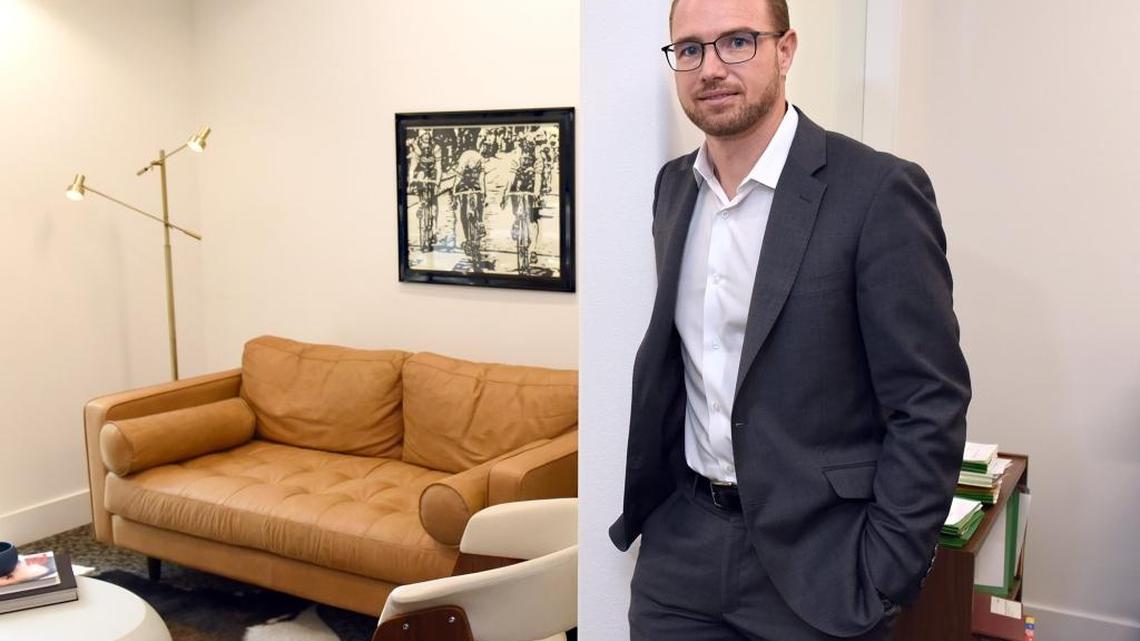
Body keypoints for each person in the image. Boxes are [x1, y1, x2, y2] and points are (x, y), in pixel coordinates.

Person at [608, 1, 971, 640]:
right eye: (689, 49)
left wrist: (886, 569)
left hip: (823, 563)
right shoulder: (673, 189)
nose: (711, 68)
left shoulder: (877, 192)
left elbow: (928, 402)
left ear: (785, 49)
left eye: (738, 42)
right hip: (681, 553)